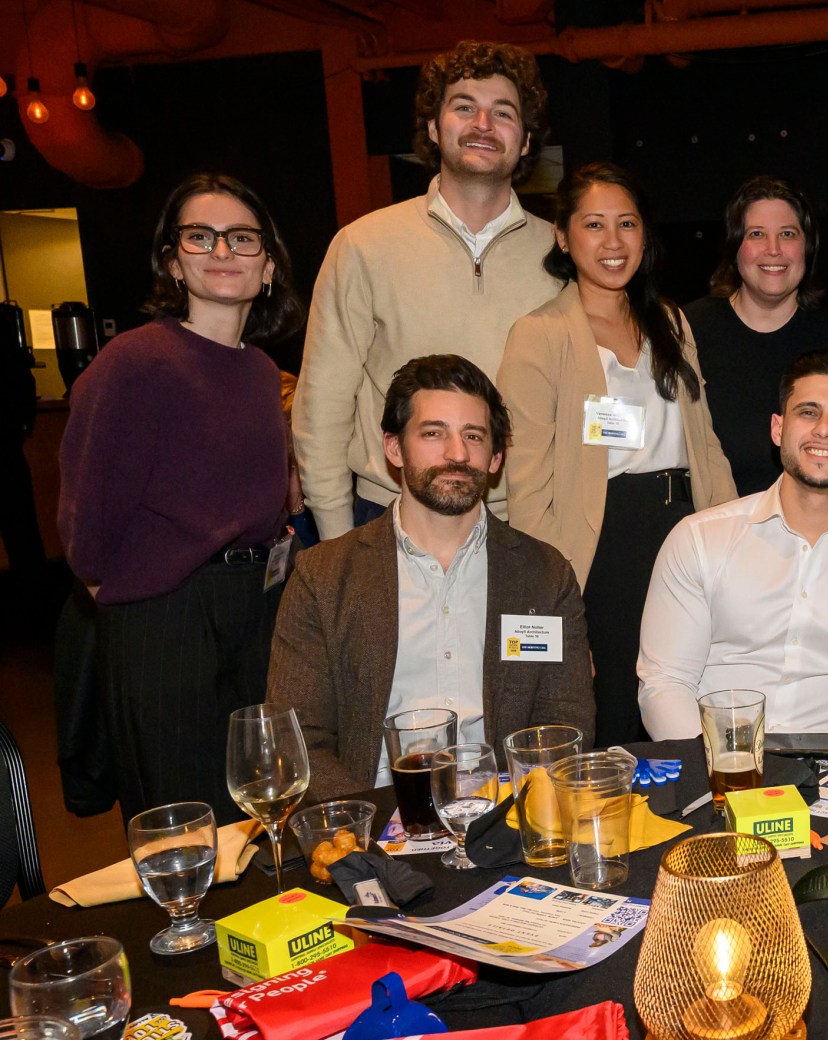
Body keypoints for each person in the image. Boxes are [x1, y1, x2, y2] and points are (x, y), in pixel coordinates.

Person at [58, 172, 304, 820]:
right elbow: (89, 520)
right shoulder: (135, 362)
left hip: (254, 608)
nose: (223, 252)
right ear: (173, 261)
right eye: (202, 236)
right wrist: (129, 608)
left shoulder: (258, 370)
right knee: (184, 819)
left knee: (259, 807)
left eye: (242, 238)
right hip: (165, 614)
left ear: (269, 266)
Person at [268, 355, 593, 801]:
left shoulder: (545, 575)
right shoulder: (324, 578)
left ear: (496, 457)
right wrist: (374, 833)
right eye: (433, 433)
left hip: (504, 820)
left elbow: (565, 724)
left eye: (473, 436)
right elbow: (301, 741)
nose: (456, 454)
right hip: (374, 821)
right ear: (394, 448)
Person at [498, 162, 735, 746]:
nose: (612, 242)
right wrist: (547, 590)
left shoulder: (671, 322)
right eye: (594, 225)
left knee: (688, 694)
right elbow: (526, 485)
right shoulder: (539, 334)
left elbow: (705, 445)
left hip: (682, 527)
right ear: (563, 236)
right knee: (610, 708)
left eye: (626, 224)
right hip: (601, 540)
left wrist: (739, 544)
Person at [294, 40, 562, 540]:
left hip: (524, 524)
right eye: (464, 107)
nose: (483, 124)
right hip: (384, 518)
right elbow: (322, 407)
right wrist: (335, 539)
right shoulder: (363, 245)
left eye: (503, 113)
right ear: (435, 129)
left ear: (525, 141)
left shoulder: (561, 255)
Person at [636, 350, 828, 740]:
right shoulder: (699, 540)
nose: (824, 429)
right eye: (807, 412)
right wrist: (722, 773)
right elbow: (665, 684)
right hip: (722, 772)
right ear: (777, 428)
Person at [686, 175, 828, 493]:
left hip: (821, 529)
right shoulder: (687, 331)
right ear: (735, 246)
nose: (774, 249)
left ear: (807, 245)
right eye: (756, 234)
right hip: (718, 527)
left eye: (788, 234)